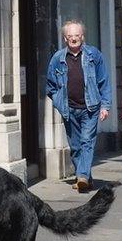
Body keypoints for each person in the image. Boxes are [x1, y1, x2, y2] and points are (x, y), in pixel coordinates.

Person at [44, 20, 111, 193]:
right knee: (75, 147)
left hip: (91, 108)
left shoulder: (93, 55)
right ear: (65, 38)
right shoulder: (57, 58)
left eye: (77, 35)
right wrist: (59, 102)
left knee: (86, 142)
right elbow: (50, 86)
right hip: (69, 109)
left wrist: (105, 105)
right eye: (70, 36)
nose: (74, 38)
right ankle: (86, 178)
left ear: (82, 36)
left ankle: (81, 176)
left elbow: (103, 81)